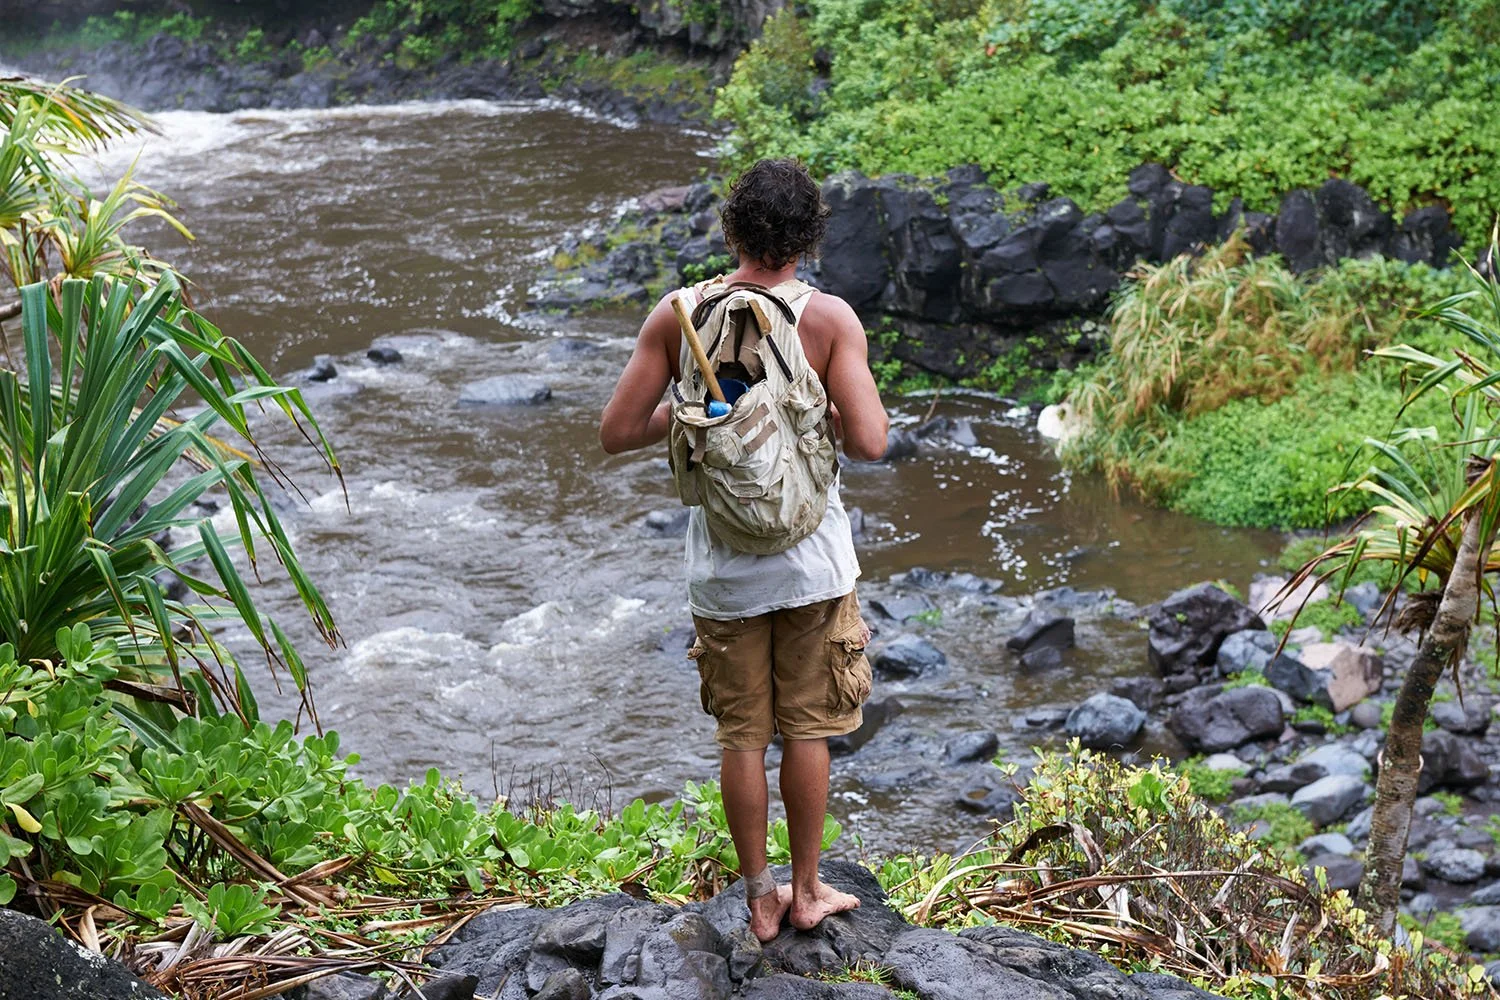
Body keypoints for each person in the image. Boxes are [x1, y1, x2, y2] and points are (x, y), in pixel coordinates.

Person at [599, 157, 889, 941]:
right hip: (813, 567)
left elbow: (617, 432)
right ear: (808, 239)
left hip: (723, 571)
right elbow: (869, 440)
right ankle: (806, 891)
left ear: (730, 231)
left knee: (743, 737)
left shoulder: (679, 314)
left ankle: (757, 895)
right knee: (808, 729)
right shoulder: (829, 319)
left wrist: (695, 417)